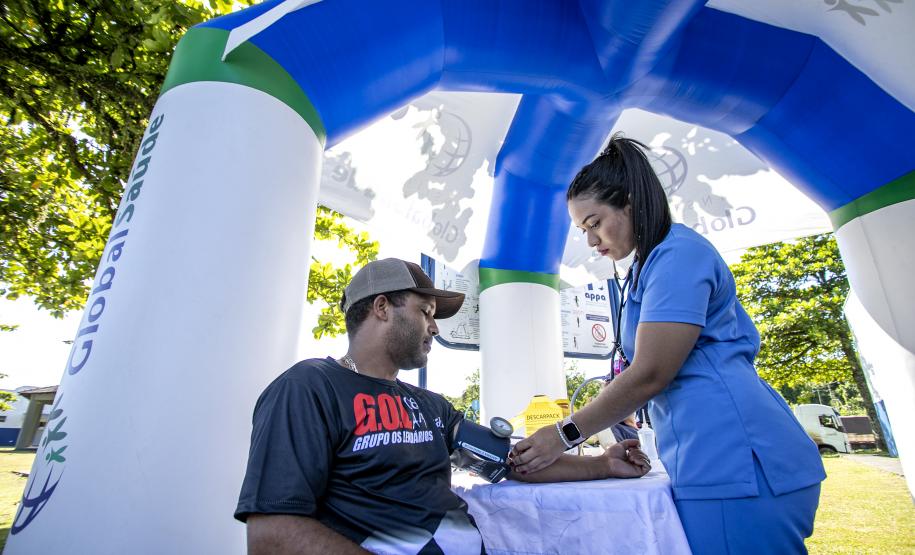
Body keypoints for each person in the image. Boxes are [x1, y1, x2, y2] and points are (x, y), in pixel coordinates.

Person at [509, 136, 826, 554]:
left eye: (594, 223)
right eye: (583, 230)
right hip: (712, 457)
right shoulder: (650, 263)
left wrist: (563, 434)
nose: (590, 241)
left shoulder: (679, 255)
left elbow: (652, 373)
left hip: (740, 458)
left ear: (629, 202)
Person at [235, 257, 652, 555]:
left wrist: (603, 464)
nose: (434, 327)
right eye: (425, 311)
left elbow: (514, 462)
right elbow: (274, 534)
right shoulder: (308, 388)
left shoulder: (431, 406)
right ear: (382, 307)